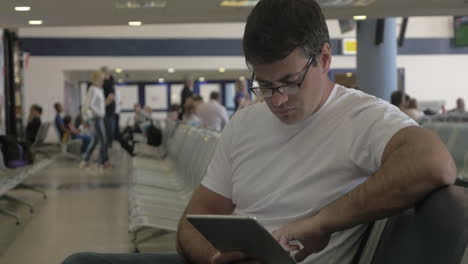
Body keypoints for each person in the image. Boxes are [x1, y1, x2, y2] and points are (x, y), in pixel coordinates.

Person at [62, 0, 456, 263]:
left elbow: (433, 163)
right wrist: (215, 257)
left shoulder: (362, 117)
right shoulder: (246, 122)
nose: (277, 99)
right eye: (264, 85)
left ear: (324, 58)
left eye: (289, 82)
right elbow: (191, 223)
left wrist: (319, 223)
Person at [80, 71, 110, 169]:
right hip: (96, 118)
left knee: (95, 140)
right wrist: (97, 113)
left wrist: (105, 105)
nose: (103, 81)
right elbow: (90, 105)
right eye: (101, 79)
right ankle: (101, 162)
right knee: (103, 140)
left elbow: (100, 105)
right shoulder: (92, 89)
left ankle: (85, 160)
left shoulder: (99, 90)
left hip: (100, 117)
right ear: (96, 79)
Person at [101, 66, 117, 149]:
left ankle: (105, 157)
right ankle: (104, 158)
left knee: (108, 135)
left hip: (108, 113)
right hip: (107, 113)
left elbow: (111, 97)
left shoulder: (108, 83)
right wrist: (102, 107)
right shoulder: (107, 83)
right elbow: (111, 97)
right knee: (107, 135)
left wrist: (102, 106)